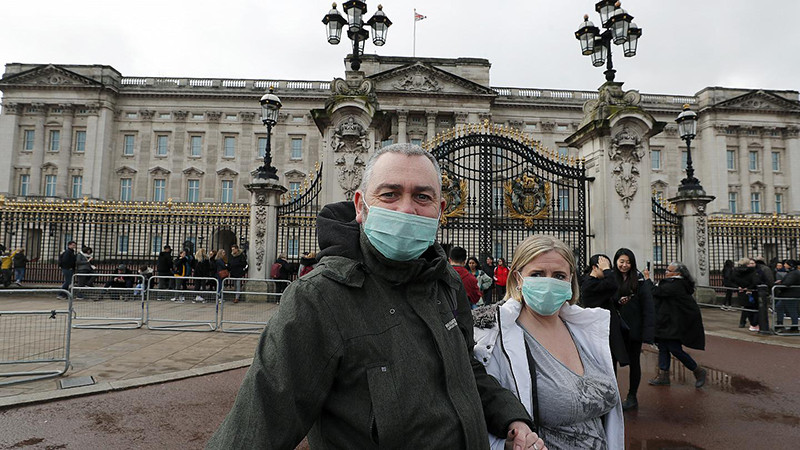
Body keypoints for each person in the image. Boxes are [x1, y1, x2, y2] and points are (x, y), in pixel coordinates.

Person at [208, 143, 541, 449]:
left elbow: (464, 369)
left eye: (422, 197)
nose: (406, 210)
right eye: (390, 194)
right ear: (360, 205)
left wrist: (510, 416)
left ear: (440, 209)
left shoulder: (447, 283)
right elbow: (258, 425)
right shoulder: (318, 298)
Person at [473, 234, 624, 448]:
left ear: (571, 281)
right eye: (537, 274)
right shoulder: (490, 337)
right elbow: (478, 414)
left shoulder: (584, 328)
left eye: (559, 276)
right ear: (517, 279)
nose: (549, 282)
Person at [647, 261, 707, 388]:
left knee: (674, 349)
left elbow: (656, 291)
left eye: (669, 271)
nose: (666, 273)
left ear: (678, 273)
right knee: (663, 347)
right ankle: (663, 376)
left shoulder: (676, 284)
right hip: (667, 321)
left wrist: (647, 279)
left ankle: (698, 370)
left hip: (674, 323)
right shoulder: (675, 283)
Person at [611, 248, 655, 411]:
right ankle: (612, 396)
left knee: (634, 363)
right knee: (611, 363)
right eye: (621, 261)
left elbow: (648, 306)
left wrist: (648, 332)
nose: (624, 265)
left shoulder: (639, 279)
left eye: (628, 262)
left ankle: (632, 395)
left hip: (633, 328)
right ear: (616, 261)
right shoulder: (610, 278)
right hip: (614, 328)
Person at [579, 254, 629, 370]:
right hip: (598, 334)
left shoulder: (596, 283)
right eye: (604, 267)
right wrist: (607, 270)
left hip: (605, 332)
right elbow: (612, 285)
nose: (608, 271)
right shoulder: (590, 284)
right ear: (594, 268)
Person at [731, 258, 760, 331]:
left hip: (741, 291)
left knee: (747, 308)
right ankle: (754, 324)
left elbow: (730, 281)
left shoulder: (735, 272)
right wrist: (749, 288)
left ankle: (747, 323)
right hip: (751, 291)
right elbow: (755, 281)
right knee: (755, 308)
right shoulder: (752, 271)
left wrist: (738, 287)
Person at [774, 260, 800, 333]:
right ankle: (780, 323)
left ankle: (794, 326)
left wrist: (780, 284)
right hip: (789, 294)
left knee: (791, 310)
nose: (784, 265)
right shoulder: (793, 273)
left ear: (790, 265)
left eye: (785, 264)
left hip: (790, 295)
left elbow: (787, 283)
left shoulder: (793, 273)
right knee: (779, 307)